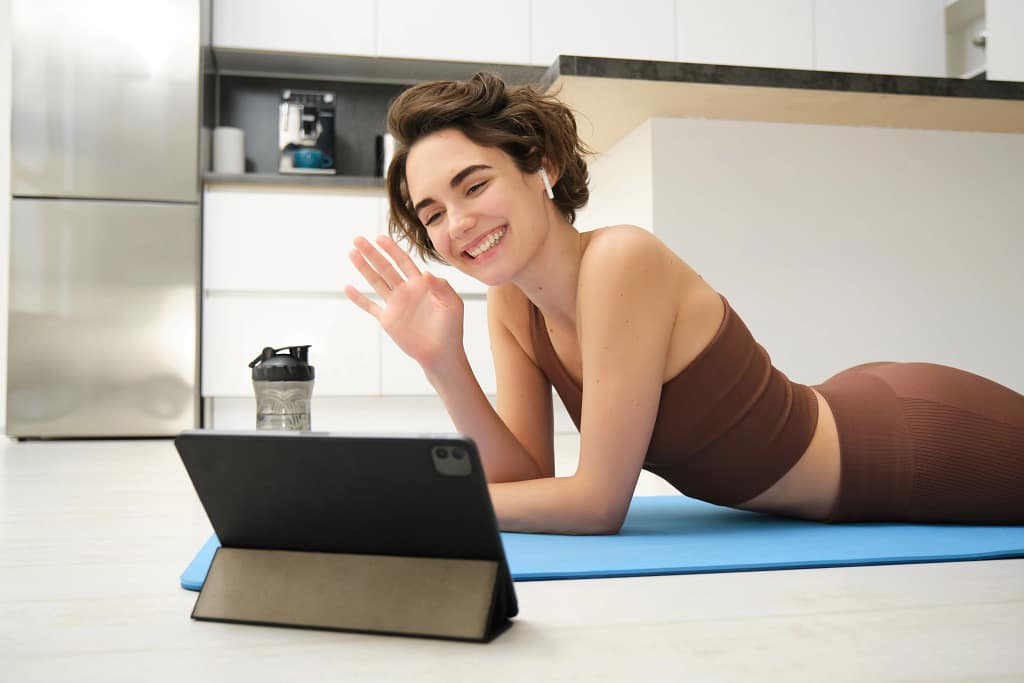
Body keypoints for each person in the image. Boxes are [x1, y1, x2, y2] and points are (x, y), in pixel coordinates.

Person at [344, 72, 1024, 533]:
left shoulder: (619, 261)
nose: (457, 223)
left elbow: (596, 502)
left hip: (912, 443)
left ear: (539, 168)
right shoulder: (511, 307)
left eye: (473, 185)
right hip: (856, 414)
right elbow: (525, 477)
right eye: (432, 212)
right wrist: (442, 363)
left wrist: (431, 504)